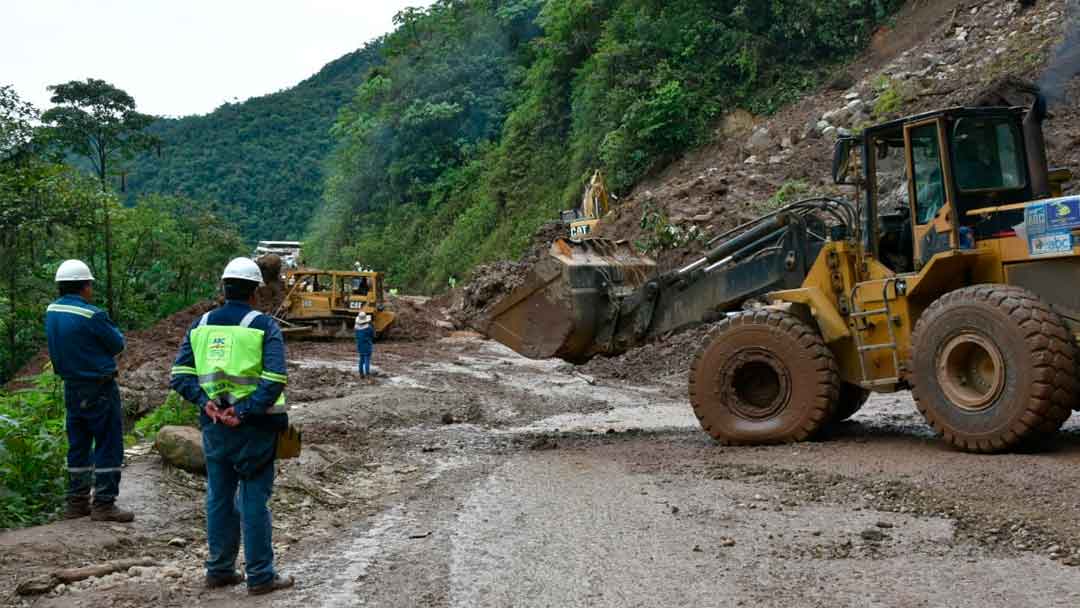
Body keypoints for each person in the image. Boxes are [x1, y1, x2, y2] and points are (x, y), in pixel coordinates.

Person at [169, 258, 295, 596]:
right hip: (255, 428)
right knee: (254, 497)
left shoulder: (200, 325)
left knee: (219, 496)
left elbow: (179, 376)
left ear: (224, 289)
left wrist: (205, 402)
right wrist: (244, 411)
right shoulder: (264, 326)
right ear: (255, 292)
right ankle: (260, 575)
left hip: (214, 427)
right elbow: (274, 378)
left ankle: (220, 569)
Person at [45, 259, 134, 522]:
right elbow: (117, 344)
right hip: (99, 387)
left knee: (78, 444)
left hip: (71, 386)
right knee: (107, 443)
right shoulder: (91, 314)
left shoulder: (52, 311)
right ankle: (104, 503)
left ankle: (76, 502)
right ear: (84, 286)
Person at [355, 312, 375, 377]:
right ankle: (367, 373)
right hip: (367, 345)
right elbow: (372, 335)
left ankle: (361, 373)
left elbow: (356, 337)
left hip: (360, 345)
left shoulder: (356, 328)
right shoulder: (369, 328)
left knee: (361, 359)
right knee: (367, 360)